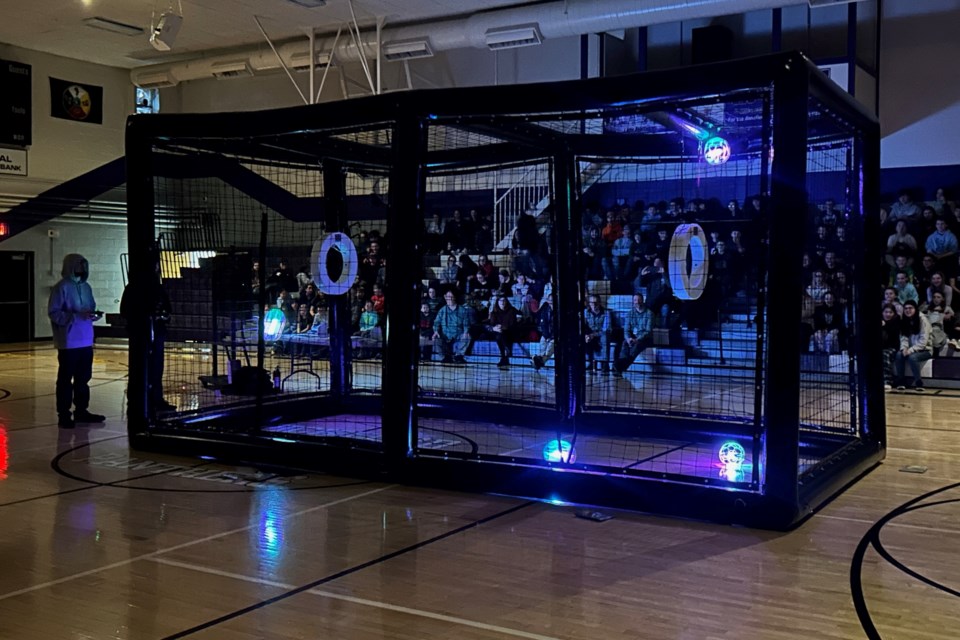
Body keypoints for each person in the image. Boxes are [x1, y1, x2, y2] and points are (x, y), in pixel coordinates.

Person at [49, 254, 105, 428]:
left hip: (86, 340)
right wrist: (74, 317)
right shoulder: (61, 288)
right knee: (65, 380)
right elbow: (54, 312)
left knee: (83, 379)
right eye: (79, 265)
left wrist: (93, 315)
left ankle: (81, 410)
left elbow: (91, 307)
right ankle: (64, 414)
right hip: (69, 341)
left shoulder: (87, 287)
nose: (82, 269)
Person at [120, 248, 175, 414]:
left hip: (156, 332)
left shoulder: (156, 288)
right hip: (140, 334)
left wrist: (163, 315)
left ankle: (156, 399)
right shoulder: (135, 288)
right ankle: (138, 399)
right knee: (140, 367)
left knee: (156, 368)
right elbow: (126, 311)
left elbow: (167, 309)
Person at [614, 293, 653, 376]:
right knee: (624, 343)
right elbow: (626, 330)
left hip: (645, 338)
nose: (637, 302)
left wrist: (637, 339)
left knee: (637, 345)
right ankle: (621, 364)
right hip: (632, 337)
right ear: (633, 301)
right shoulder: (630, 314)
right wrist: (628, 339)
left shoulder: (649, 313)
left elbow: (648, 331)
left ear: (643, 300)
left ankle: (621, 366)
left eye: (639, 300)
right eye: (635, 300)